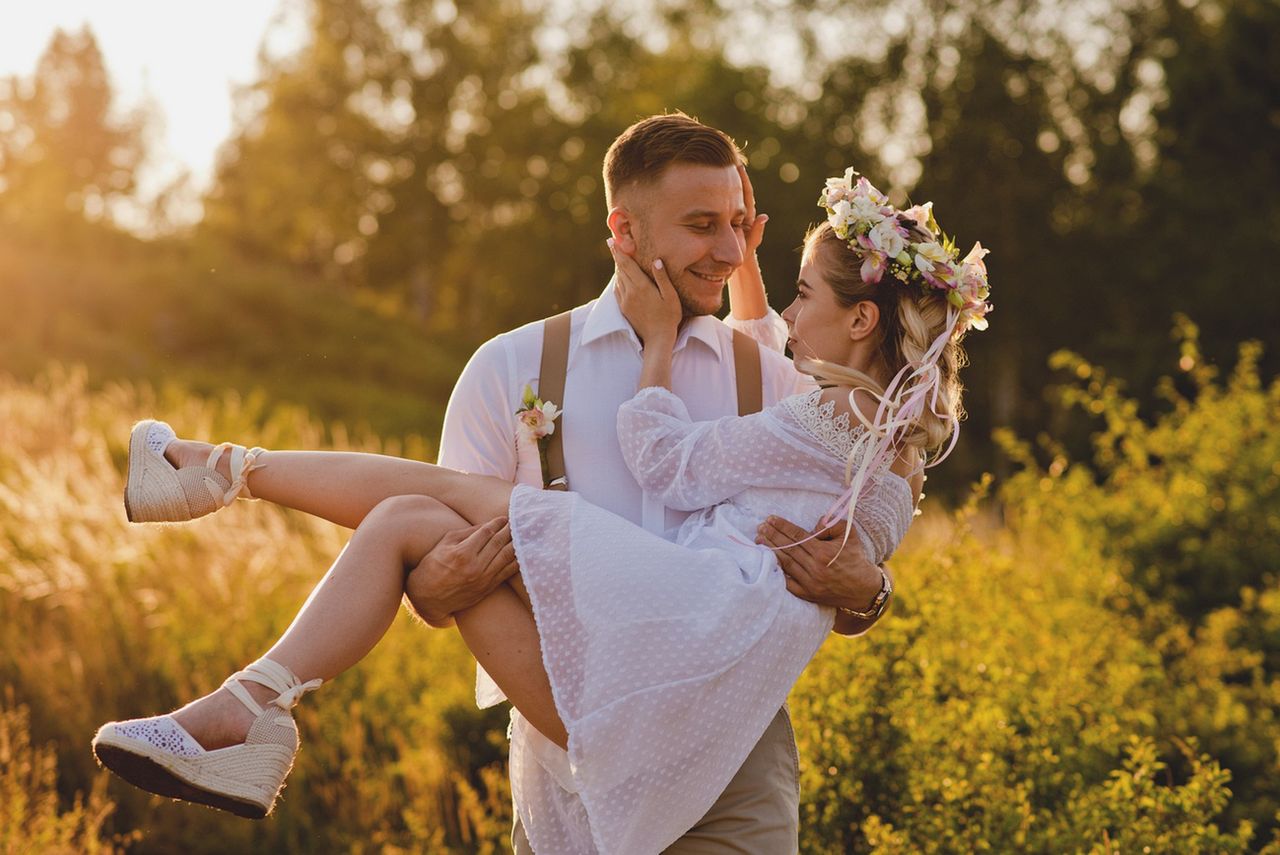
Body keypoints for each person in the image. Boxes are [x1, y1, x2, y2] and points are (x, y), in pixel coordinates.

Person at [93, 128, 990, 854]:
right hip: (565, 752)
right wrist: (435, 595)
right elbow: (429, 576)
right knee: (416, 514)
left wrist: (868, 590)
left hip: (728, 758)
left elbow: (854, 512)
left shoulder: (780, 375)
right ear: (625, 233)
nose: (727, 249)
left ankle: (220, 496)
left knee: (428, 505)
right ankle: (242, 677)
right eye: (702, 224)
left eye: (739, 225)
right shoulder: (510, 366)